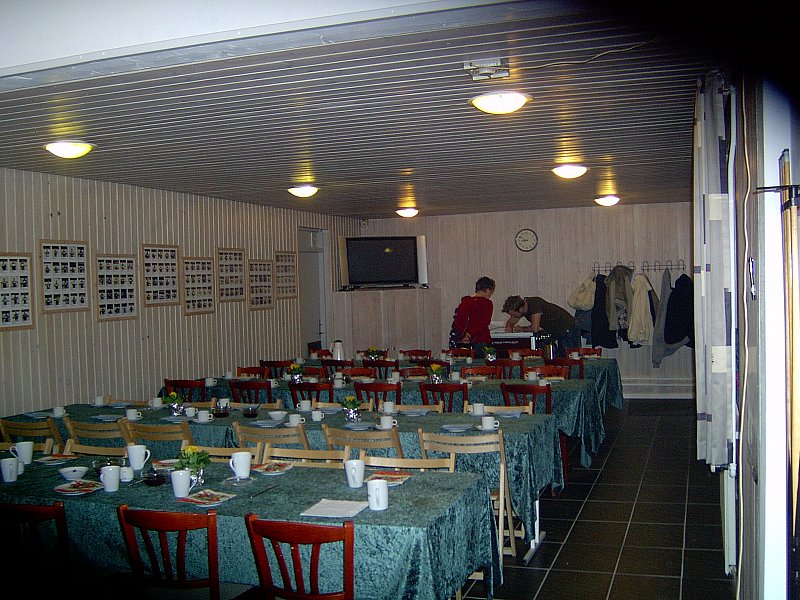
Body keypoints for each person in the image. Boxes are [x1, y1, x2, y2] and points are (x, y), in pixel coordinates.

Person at [501, 295, 580, 357]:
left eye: (513, 314)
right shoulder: (521, 307)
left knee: (570, 358)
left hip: (568, 327)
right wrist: (509, 333)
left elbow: (535, 328)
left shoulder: (534, 304)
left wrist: (521, 329)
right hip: (558, 330)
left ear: (520, 309)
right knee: (561, 358)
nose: (513, 316)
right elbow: (510, 323)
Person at [450, 276, 496, 358]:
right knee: (483, 364)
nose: (491, 294)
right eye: (491, 291)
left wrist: (464, 336)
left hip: (463, 340)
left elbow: (457, 322)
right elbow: (484, 323)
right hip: (481, 340)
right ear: (487, 289)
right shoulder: (487, 303)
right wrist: (470, 334)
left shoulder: (465, 302)